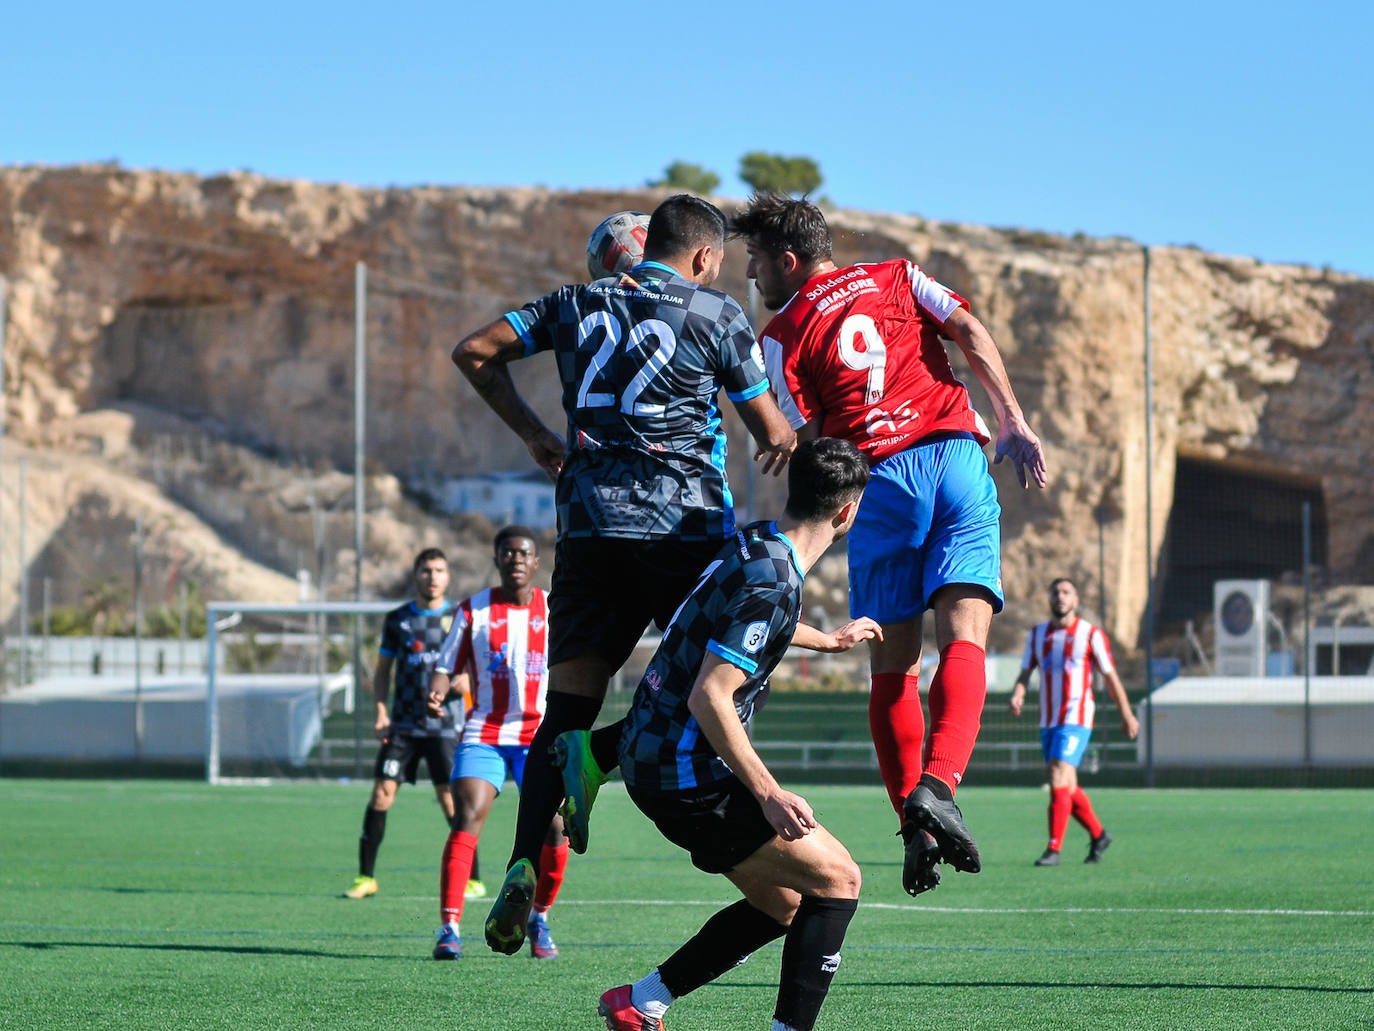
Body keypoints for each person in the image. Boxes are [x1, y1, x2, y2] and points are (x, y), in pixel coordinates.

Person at [451, 193, 797, 953]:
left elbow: (473, 351)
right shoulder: (715, 314)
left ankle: (518, 863)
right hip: (684, 533)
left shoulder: (572, 304)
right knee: (730, 680)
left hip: (590, 530)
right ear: (704, 256)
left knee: (563, 711)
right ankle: (610, 759)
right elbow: (771, 430)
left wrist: (541, 437)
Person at [729, 192, 1049, 897]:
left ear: (788, 260)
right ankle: (939, 785)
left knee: (893, 663)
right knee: (966, 636)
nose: (752, 275)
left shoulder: (780, 336)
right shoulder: (900, 275)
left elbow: (805, 443)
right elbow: (966, 326)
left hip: (879, 482)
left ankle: (914, 822)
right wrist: (1014, 420)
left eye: (755, 260)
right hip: (958, 460)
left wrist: (802, 484)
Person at [601, 437, 870, 1031]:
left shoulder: (755, 543)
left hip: (651, 758)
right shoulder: (775, 582)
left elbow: (746, 621)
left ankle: (639, 1002)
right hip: (685, 774)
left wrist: (826, 640)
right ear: (847, 514)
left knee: (785, 904)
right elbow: (710, 695)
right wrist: (771, 794)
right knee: (840, 879)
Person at [428, 526, 568, 960]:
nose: (516, 560)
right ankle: (449, 927)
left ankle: (539, 917)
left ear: (536, 562)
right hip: (485, 732)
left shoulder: (553, 609)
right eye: (507, 553)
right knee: (467, 815)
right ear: (497, 558)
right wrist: (436, 689)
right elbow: (446, 663)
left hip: (539, 735)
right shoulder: (473, 611)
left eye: (524, 553)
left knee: (555, 828)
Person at [344, 548, 477, 899]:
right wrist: (380, 711)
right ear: (416, 575)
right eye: (425, 570)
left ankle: (473, 879)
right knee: (380, 795)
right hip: (403, 725)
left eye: (438, 571)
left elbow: (474, 670)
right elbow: (383, 671)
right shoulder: (398, 620)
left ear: (447, 577)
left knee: (452, 804)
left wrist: (466, 684)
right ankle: (365, 878)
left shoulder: (461, 618)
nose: (432, 577)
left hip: (446, 728)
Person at [1008, 577, 1139, 865]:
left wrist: (1127, 713)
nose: (1060, 597)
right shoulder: (1037, 635)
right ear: (1049, 599)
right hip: (1049, 720)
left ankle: (1053, 848)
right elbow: (1025, 673)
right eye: (1055, 592)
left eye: (1066, 592)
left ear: (1076, 601)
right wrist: (1018, 693)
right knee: (1066, 784)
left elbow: (1110, 676)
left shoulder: (1091, 635)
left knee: (1056, 774)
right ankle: (1099, 834)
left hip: (1077, 717)